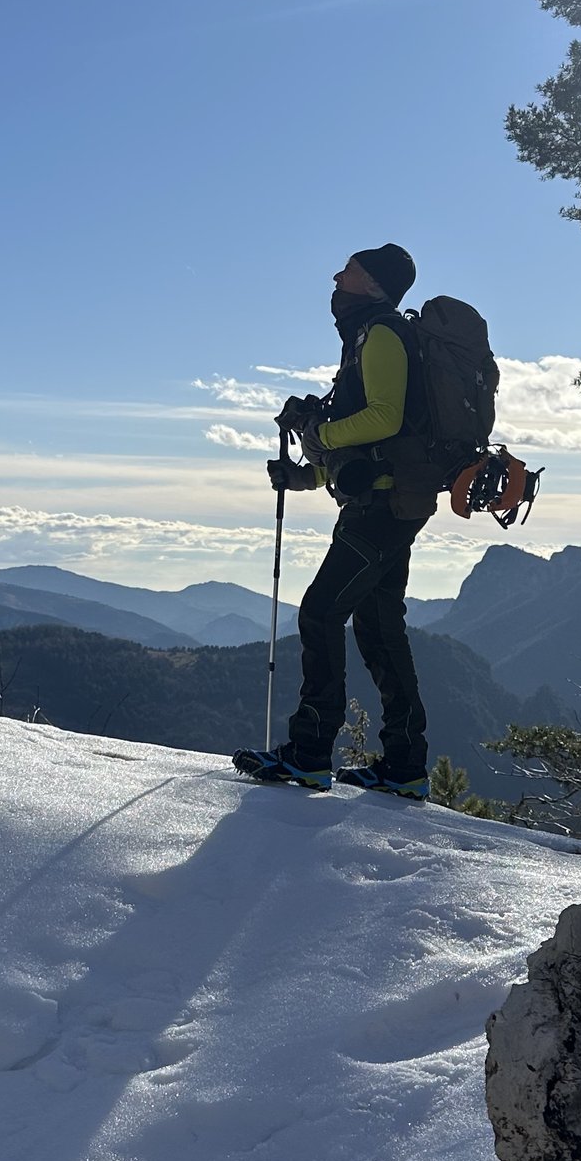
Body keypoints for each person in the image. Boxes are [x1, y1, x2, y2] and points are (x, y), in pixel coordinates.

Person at [233, 244, 433, 798]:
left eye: (349, 271)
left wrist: (318, 435)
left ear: (371, 286)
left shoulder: (384, 335)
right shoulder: (365, 340)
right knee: (378, 627)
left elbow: (384, 418)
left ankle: (309, 753)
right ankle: (405, 766)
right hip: (389, 504)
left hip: (383, 509)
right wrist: (305, 476)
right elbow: (368, 442)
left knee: (321, 614)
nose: (337, 278)